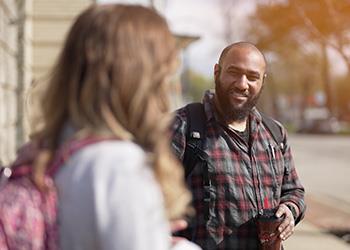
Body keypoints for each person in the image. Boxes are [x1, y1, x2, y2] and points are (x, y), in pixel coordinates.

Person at [28, 4, 201, 250]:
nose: (169, 87)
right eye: (164, 74)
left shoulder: (49, 150)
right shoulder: (119, 167)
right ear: (139, 80)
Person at [171, 42, 306, 250]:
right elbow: (147, 200)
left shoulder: (275, 133)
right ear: (217, 72)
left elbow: (294, 190)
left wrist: (290, 209)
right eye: (234, 73)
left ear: (263, 81)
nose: (242, 84)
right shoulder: (182, 126)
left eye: (252, 77)